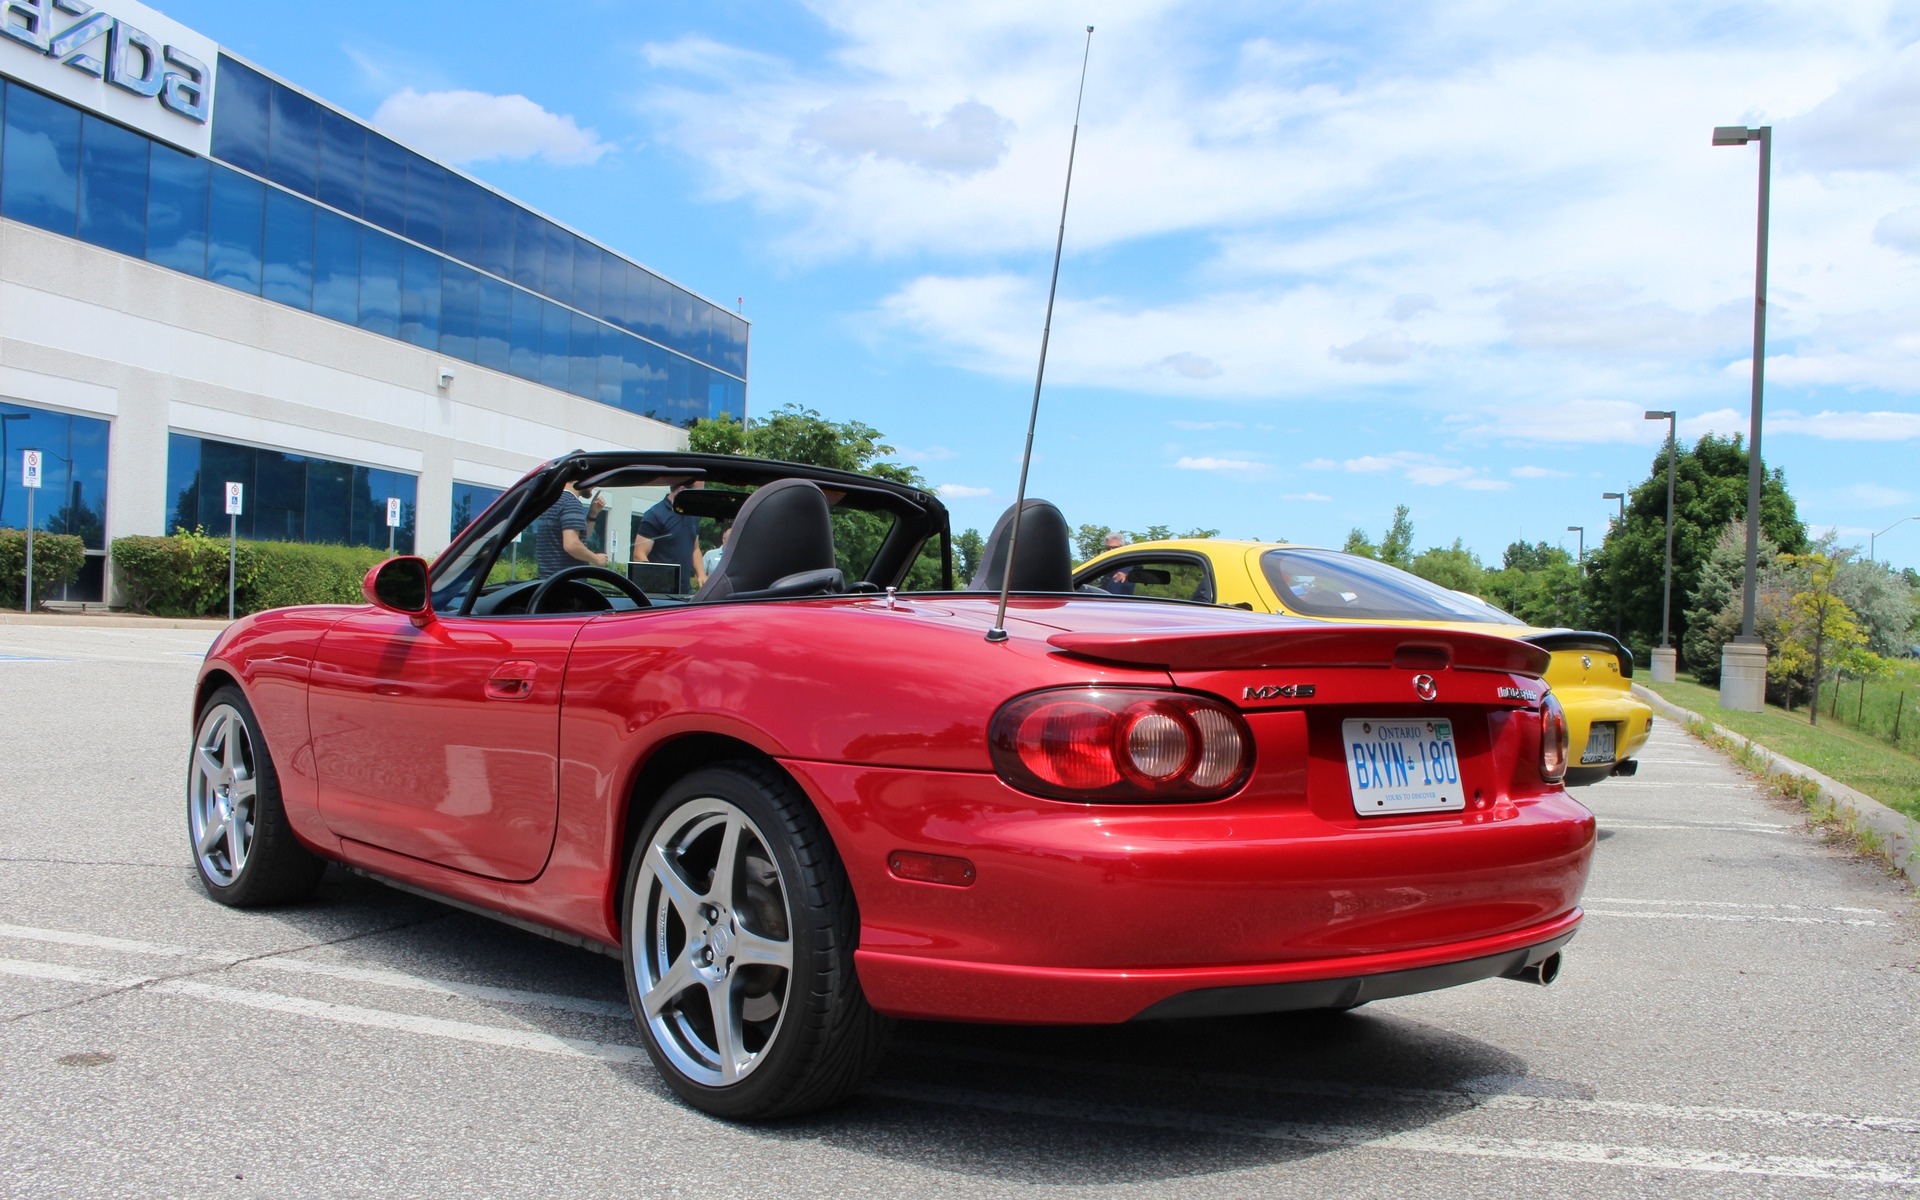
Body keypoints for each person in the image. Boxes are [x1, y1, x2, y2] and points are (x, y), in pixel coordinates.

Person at [633, 480, 706, 592]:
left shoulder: (693, 515)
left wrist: (701, 574)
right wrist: (656, 584)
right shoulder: (655, 515)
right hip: (660, 594)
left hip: (685, 592)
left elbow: (695, 548)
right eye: (696, 493)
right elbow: (639, 554)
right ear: (681, 490)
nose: (699, 498)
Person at [534, 482, 608, 577]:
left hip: (549, 580)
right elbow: (572, 545)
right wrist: (596, 558)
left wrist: (592, 514)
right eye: (591, 479)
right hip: (568, 581)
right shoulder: (571, 503)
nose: (595, 485)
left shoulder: (552, 501)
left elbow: (580, 538)